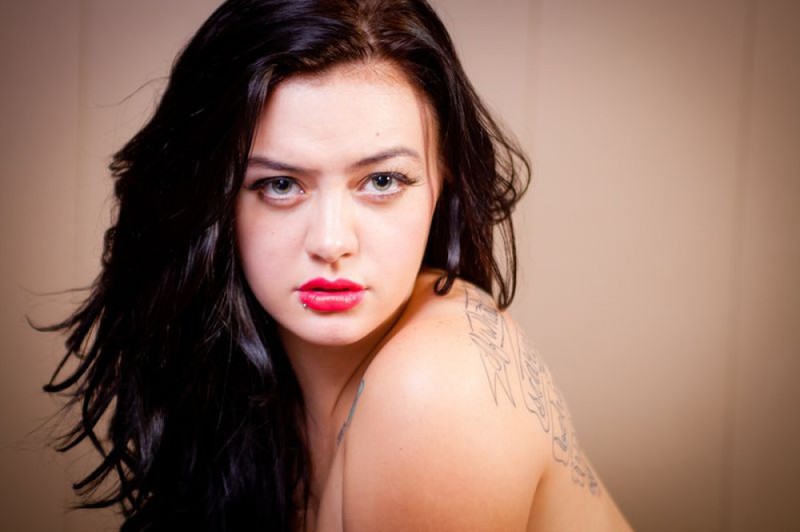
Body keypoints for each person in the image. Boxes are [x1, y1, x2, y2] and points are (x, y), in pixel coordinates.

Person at [43, 0, 632, 530]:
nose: (331, 242)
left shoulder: (437, 388)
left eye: (383, 181)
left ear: (443, 182)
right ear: (212, 201)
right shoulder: (247, 386)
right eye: (279, 185)